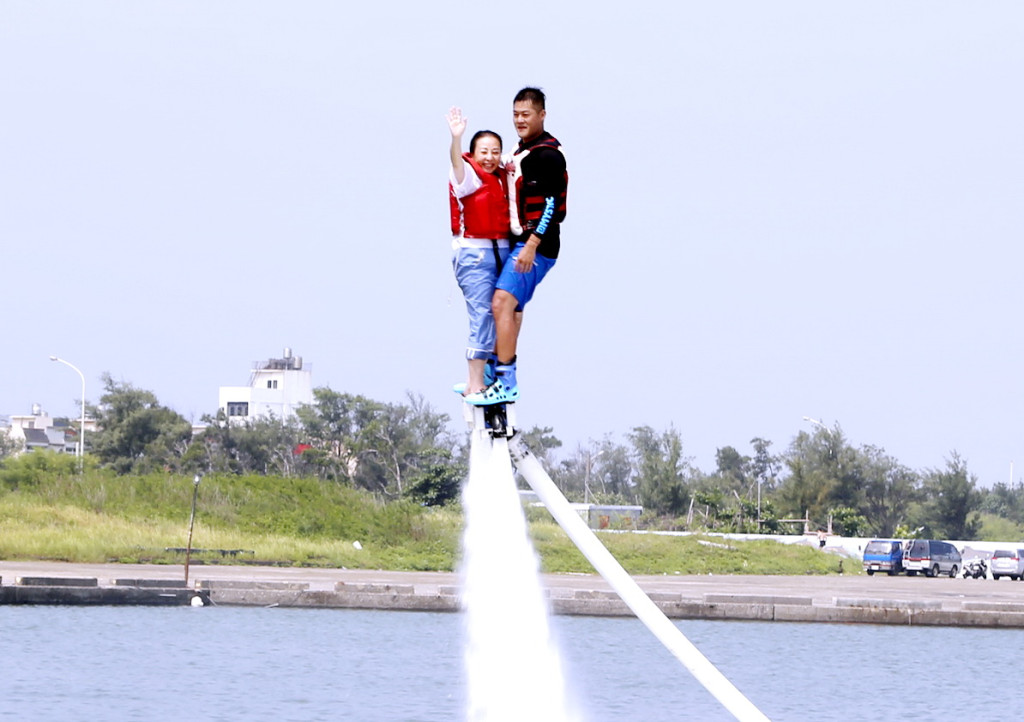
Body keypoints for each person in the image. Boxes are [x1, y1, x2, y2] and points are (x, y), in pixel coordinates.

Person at [465, 87, 567, 406]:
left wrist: (532, 244)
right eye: (516, 115)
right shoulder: (522, 150)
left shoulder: (548, 155)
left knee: (501, 303)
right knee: (512, 309)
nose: (520, 120)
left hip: (536, 245)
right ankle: (496, 377)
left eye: (526, 115)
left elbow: (553, 206)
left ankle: (506, 381)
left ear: (542, 115)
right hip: (519, 241)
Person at [446, 106, 511, 395]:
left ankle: (491, 375)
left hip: (502, 251)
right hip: (476, 255)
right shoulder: (468, 176)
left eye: (495, 151)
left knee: (504, 314)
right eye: (483, 152)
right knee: (482, 315)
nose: (489, 158)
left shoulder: (502, 175)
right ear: (473, 154)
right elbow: (457, 164)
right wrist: (456, 139)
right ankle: (475, 385)